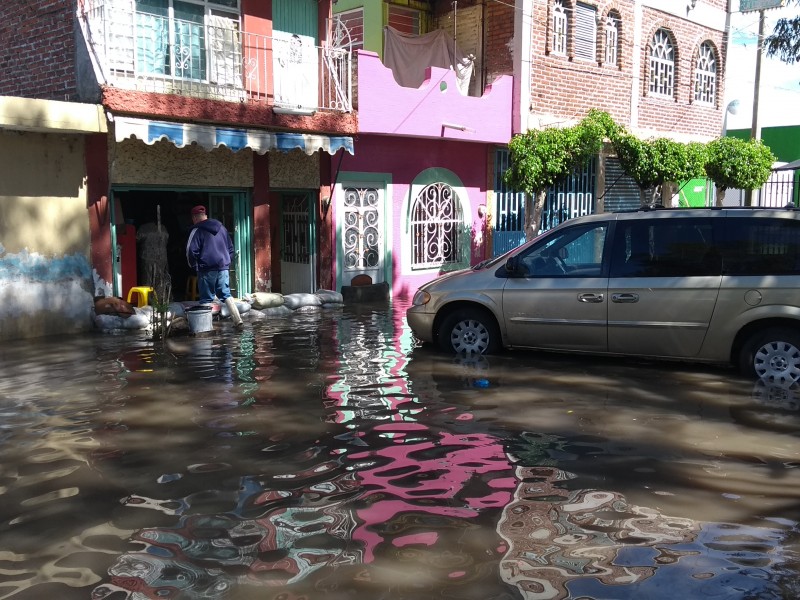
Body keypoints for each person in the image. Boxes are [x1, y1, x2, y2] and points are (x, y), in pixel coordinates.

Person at [185, 205, 243, 328]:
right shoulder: (221, 228)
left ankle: (206, 327)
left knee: (206, 298)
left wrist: (194, 265)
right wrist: (226, 262)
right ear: (205, 216)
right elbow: (230, 247)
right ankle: (238, 321)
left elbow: (190, 250)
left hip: (206, 268)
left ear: (195, 218)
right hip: (223, 267)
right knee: (226, 294)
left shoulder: (197, 230)